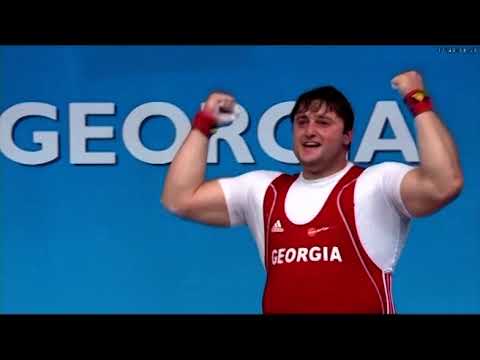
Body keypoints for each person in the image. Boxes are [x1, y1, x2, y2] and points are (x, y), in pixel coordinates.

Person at [161, 70, 463, 314]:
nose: (309, 130)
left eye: (323, 122)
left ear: (348, 137)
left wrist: (417, 100)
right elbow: (179, 199)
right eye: (302, 122)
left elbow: (444, 183)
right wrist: (203, 125)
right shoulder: (264, 190)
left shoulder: (376, 184)